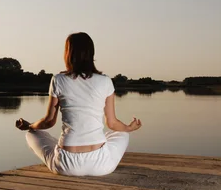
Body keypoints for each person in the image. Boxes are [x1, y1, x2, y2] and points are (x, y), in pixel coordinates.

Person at [16, 32, 142, 176]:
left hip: (66, 164)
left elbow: (49, 122)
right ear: (91, 54)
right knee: (123, 133)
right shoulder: (105, 81)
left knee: (32, 134)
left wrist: (30, 126)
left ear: (68, 53)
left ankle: (60, 145)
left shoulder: (58, 80)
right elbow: (112, 124)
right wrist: (129, 128)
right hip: (100, 164)